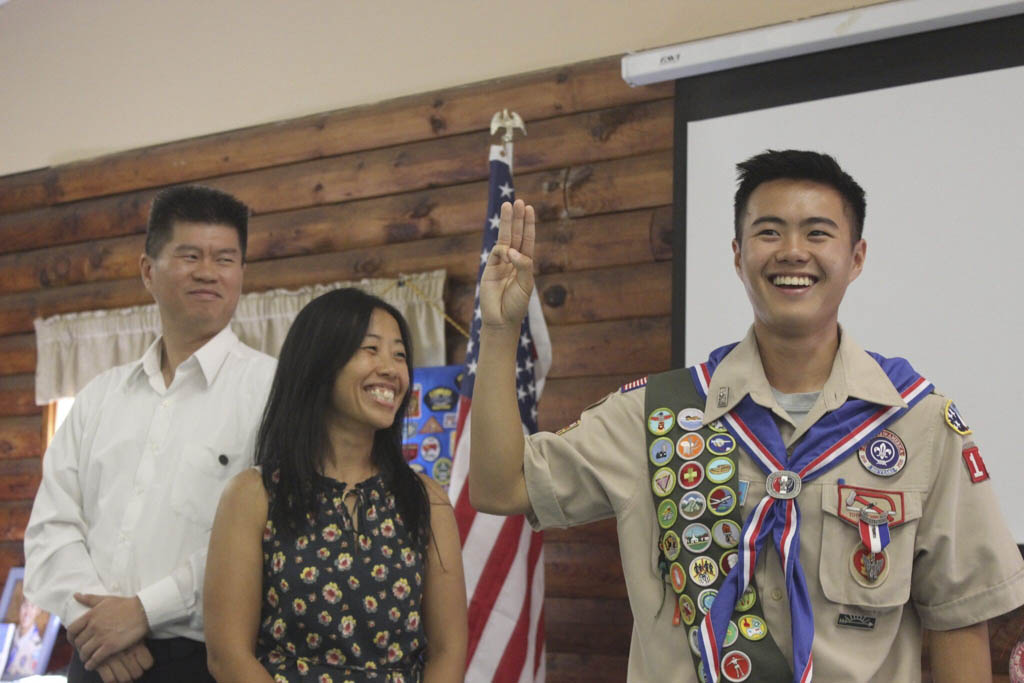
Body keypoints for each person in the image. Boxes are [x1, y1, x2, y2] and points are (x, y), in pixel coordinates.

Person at [469, 150, 1024, 682]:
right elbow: (500, 487)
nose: (792, 251)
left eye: (818, 233)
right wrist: (498, 331)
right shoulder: (656, 413)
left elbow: (959, 621)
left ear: (855, 258)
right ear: (738, 255)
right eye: (769, 231)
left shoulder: (917, 422)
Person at [24, 185, 277, 683]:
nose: (208, 271)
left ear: (241, 274)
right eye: (189, 255)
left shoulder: (275, 391)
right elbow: (51, 526)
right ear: (148, 271)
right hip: (93, 657)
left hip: (208, 664)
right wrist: (91, 622)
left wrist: (142, 612)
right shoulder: (99, 396)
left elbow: (270, 535)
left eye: (225, 259)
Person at [204, 288, 467, 682]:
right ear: (320, 364)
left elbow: (448, 651)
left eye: (399, 354)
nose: (391, 369)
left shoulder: (426, 499)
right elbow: (228, 657)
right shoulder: (253, 495)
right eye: (371, 349)